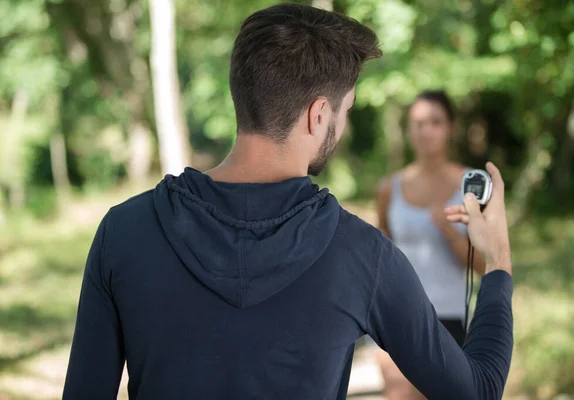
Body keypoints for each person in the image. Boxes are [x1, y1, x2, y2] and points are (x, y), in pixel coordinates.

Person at [63, 4, 514, 400]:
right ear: (319, 115)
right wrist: (497, 261)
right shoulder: (362, 255)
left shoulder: (122, 232)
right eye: (346, 110)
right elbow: (476, 389)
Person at [373, 91, 487, 399]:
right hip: (397, 314)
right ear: (409, 130)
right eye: (418, 123)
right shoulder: (389, 188)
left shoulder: (473, 184)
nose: (426, 131)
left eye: (435, 122)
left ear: (451, 127)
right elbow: (382, 258)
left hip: (451, 319)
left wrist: (450, 233)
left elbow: (486, 267)